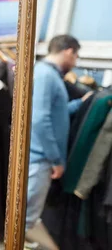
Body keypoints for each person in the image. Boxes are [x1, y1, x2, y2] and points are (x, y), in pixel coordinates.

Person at [25, 35, 91, 249]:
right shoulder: (46, 75)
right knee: (26, 219)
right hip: (41, 158)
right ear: (69, 51)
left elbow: (55, 113)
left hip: (41, 157)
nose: (76, 62)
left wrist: (79, 103)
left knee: (30, 215)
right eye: (76, 56)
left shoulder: (50, 75)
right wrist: (56, 160)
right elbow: (40, 119)